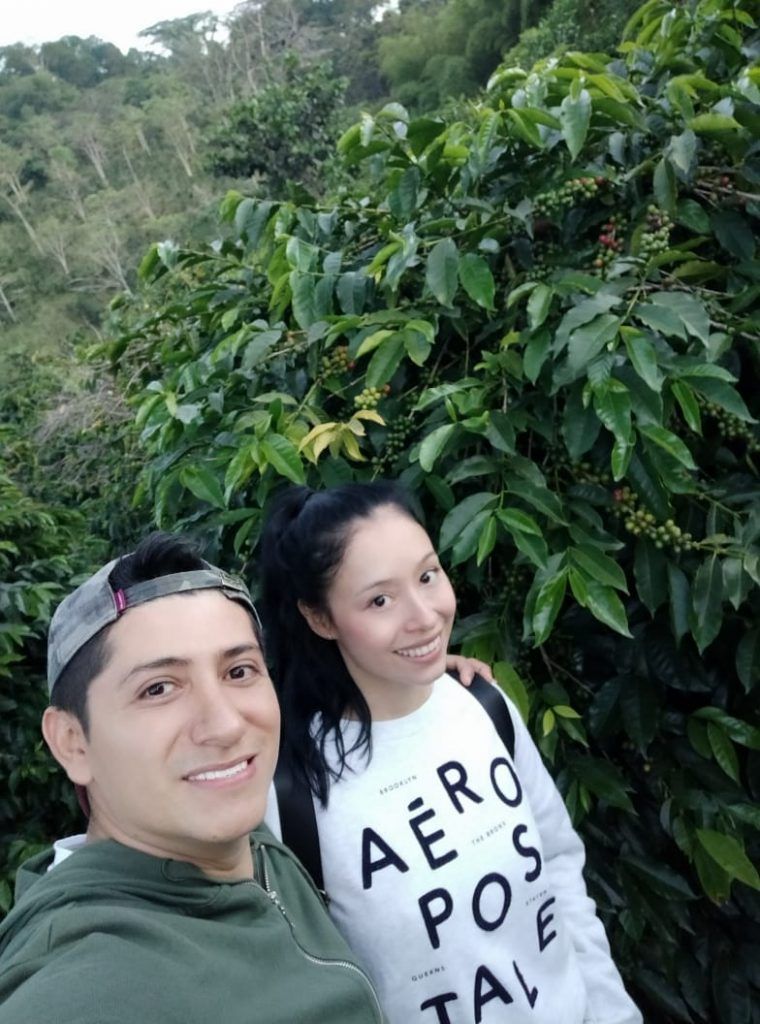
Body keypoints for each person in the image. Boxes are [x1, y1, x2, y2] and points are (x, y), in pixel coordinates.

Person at [260, 482, 643, 1024]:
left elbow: (558, 864)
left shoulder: (482, 704)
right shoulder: (290, 792)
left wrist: (612, 1012)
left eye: (427, 575)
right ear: (320, 619)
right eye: (380, 600)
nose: (425, 616)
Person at [0, 534, 383, 1024]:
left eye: (239, 670)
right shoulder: (92, 983)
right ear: (72, 742)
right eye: (158, 688)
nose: (225, 725)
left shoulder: (245, 845)